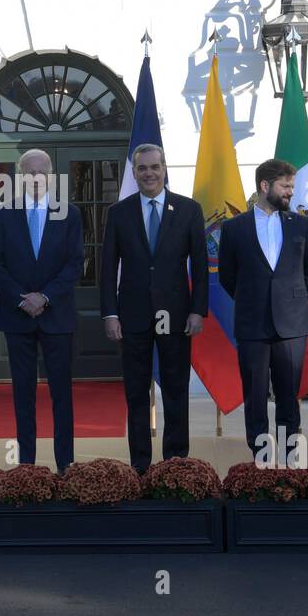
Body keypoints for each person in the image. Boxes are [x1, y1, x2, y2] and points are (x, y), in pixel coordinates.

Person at [101, 144, 207, 474]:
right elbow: (107, 268)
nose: (149, 173)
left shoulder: (189, 210)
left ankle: (175, 462)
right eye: (142, 168)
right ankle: (140, 464)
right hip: (132, 315)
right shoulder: (119, 212)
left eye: (154, 167)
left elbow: (201, 266)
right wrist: (110, 313)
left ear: (165, 168)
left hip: (176, 314)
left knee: (176, 389)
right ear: (134, 173)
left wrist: (197, 310)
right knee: (136, 392)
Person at [0, 149, 84, 474]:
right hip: (17, 316)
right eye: (29, 173)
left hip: (56, 316)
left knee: (61, 395)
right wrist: (21, 297)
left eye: (41, 173)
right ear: (19, 175)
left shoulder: (68, 213)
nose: (36, 178)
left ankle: (65, 464)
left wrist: (44, 297)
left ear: (51, 175)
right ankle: (26, 465)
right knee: (22, 394)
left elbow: (74, 264)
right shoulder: (4, 213)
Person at [217, 159, 308, 460]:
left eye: (292, 186)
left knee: (289, 398)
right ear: (265, 186)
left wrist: (288, 301)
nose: (290, 192)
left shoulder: (301, 224)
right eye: (285, 186)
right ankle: (261, 462)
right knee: (255, 398)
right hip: (252, 327)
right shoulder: (234, 228)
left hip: (292, 327)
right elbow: (227, 276)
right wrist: (254, 300)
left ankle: (289, 458)